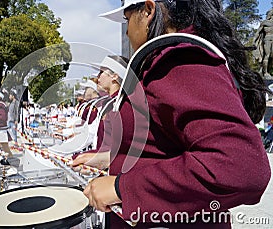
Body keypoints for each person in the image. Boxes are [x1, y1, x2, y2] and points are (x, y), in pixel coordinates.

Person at [72, 1, 271, 228]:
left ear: (148, 10)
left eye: (127, 20)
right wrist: (110, 159)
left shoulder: (176, 62)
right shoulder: (173, 62)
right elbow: (164, 146)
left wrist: (122, 188)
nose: (126, 31)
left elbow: (240, 167)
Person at [254, 8, 273, 77]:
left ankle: (263, 70)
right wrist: (254, 41)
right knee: (267, 55)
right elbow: (258, 32)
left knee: (271, 57)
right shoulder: (265, 22)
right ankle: (265, 73)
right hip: (267, 40)